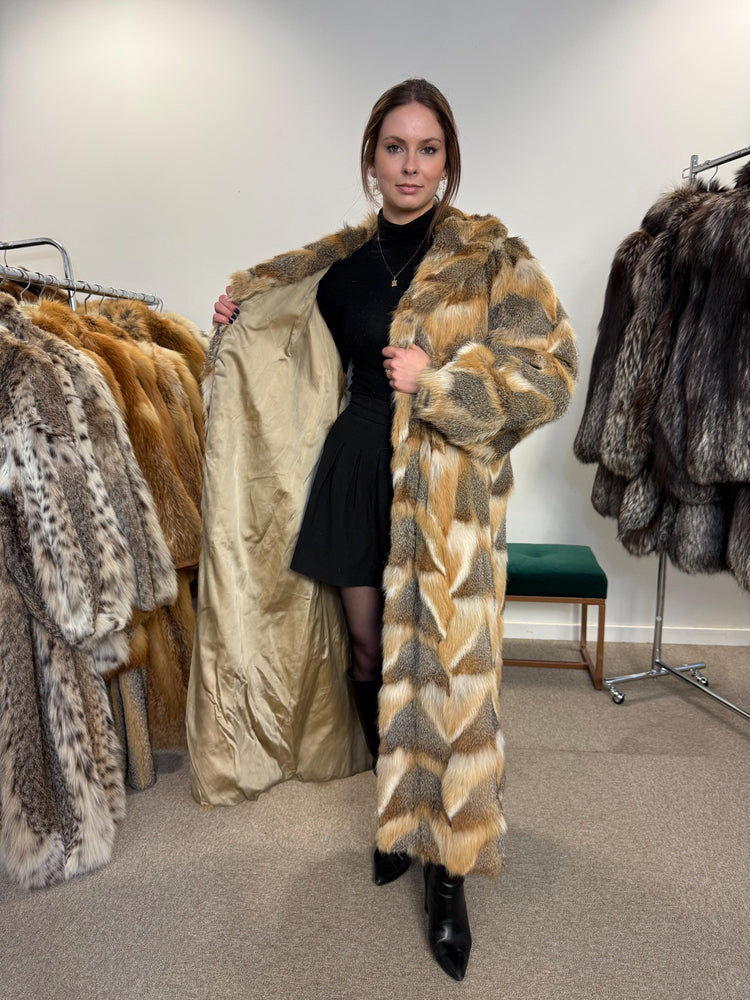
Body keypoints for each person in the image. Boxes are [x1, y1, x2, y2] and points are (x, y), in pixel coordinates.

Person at [206, 78, 576, 981]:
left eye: (428, 149)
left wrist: (440, 384)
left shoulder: (493, 258)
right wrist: (241, 312)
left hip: (443, 495)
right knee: (371, 654)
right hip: (355, 468)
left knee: (445, 680)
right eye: (395, 148)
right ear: (371, 158)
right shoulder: (338, 265)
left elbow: (553, 375)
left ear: (449, 162)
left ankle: (450, 875)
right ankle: (397, 819)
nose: (411, 166)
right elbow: (288, 340)